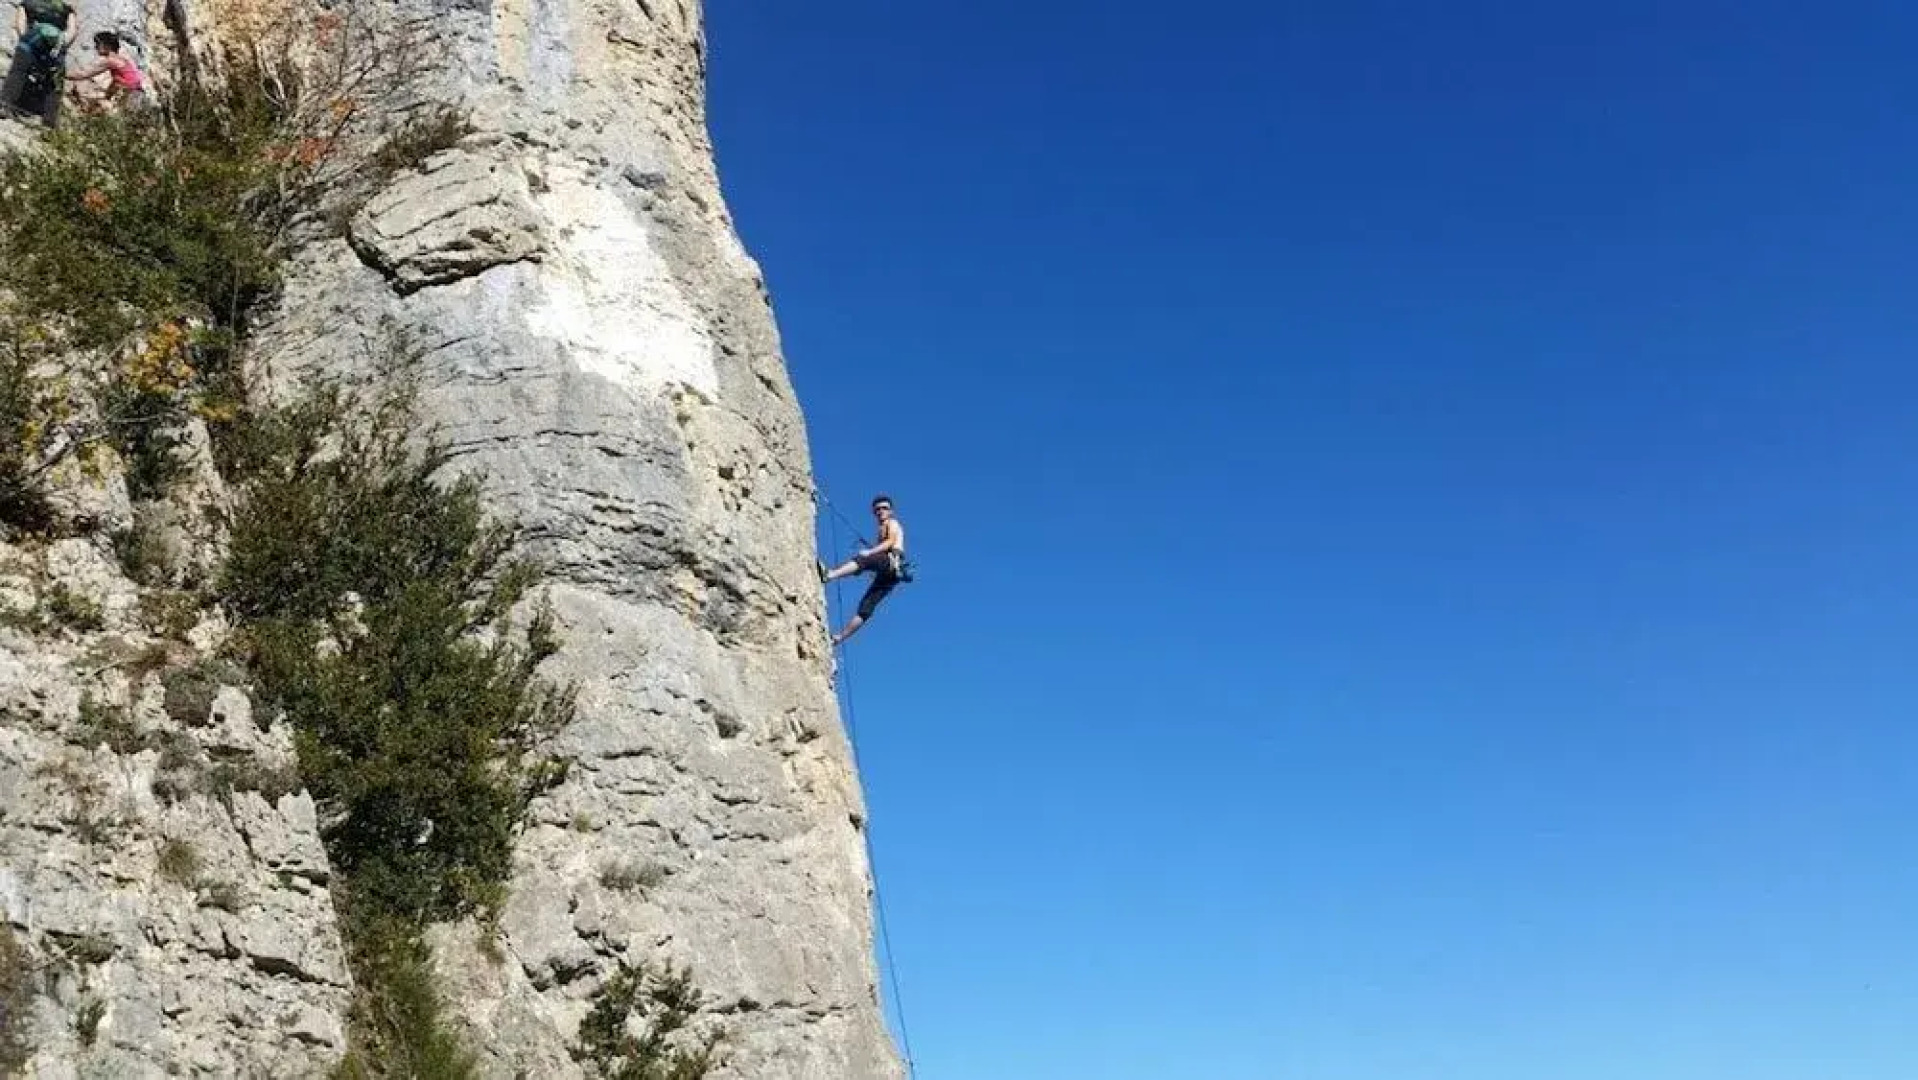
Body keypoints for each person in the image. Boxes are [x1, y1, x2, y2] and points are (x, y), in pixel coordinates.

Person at [819, 493, 908, 648]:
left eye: (884, 508)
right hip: (893, 572)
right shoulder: (881, 528)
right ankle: (839, 638)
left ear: (890, 511)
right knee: (867, 606)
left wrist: (870, 553)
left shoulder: (892, 523)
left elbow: (891, 541)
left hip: (892, 561)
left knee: (863, 560)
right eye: (877, 509)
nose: (881, 511)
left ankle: (830, 575)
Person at [0, 0, 74, 124]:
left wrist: (24, 39)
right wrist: (62, 46)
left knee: (18, 72)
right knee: (55, 82)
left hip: (31, 40)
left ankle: (5, 104)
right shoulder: (66, 9)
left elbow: (20, 25)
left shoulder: (27, 4)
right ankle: (49, 120)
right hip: (56, 45)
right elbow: (72, 31)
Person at [67, 31, 146, 113]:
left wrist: (62, 73)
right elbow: (117, 82)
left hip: (132, 97)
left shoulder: (110, 60)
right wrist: (107, 96)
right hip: (137, 95)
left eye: (98, 44)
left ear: (107, 46)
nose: (95, 47)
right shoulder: (121, 59)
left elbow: (83, 74)